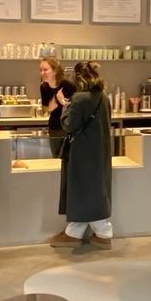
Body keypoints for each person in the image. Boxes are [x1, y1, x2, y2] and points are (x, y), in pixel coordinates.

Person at [49, 60, 113, 249]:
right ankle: (76, 232)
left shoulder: (80, 98)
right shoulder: (103, 97)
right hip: (99, 152)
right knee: (92, 189)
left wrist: (64, 105)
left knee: (81, 189)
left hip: (81, 152)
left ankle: (101, 234)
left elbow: (69, 124)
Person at [39, 56, 76, 156]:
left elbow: (77, 107)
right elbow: (45, 109)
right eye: (41, 70)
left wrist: (64, 101)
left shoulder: (67, 85)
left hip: (68, 127)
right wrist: (50, 108)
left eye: (45, 70)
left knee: (69, 158)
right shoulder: (44, 87)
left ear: (55, 71)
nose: (42, 73)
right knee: (56, 158)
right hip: (54, 127)